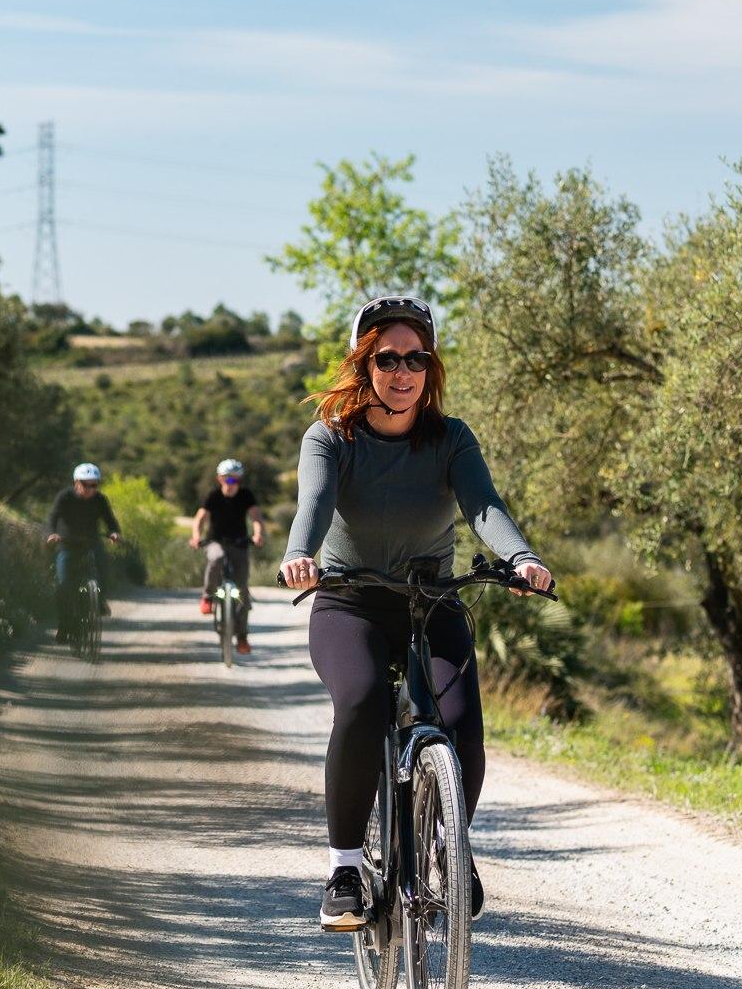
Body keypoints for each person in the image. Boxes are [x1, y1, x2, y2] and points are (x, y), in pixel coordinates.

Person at [278, 295, 553, 931]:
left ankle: (448, 849)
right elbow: (314, 503)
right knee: (363, 701)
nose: (402, 372)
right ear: (364, 364)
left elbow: (484, 506)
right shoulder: (331, 437)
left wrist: (521, 557)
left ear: (430, 368)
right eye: (388, 359)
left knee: (460, 724)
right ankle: (346, 869)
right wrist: (299, 554)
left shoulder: (450, 438)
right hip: (350, 602)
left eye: (416, 359)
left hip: (431, 603)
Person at [190, 457, 267, 653]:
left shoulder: (246, 495)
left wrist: (258, 534)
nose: (231, 483)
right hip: (215, 542)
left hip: (239, 544)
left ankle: (242, 637)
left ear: (239, 480)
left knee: (243, 592)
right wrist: (196, 536)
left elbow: (256, 518)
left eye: (235, 479)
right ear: (220, 479)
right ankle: (208, 596)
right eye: (227, 479)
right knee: (216, 558)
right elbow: (199, 519)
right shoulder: (213, 495)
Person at [46, 463, 121, 642]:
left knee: (103, 566)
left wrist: (114, 532)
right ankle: (64, 626)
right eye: (86, 485)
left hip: (91, 543)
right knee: (64, 586)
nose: (90, 489)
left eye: (94, 485)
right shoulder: (65, 497)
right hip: (67, 544)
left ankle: (99, 600)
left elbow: (110, 520)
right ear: (76, 482)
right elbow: (53, 516)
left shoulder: (100, 499)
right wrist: (51, 533)